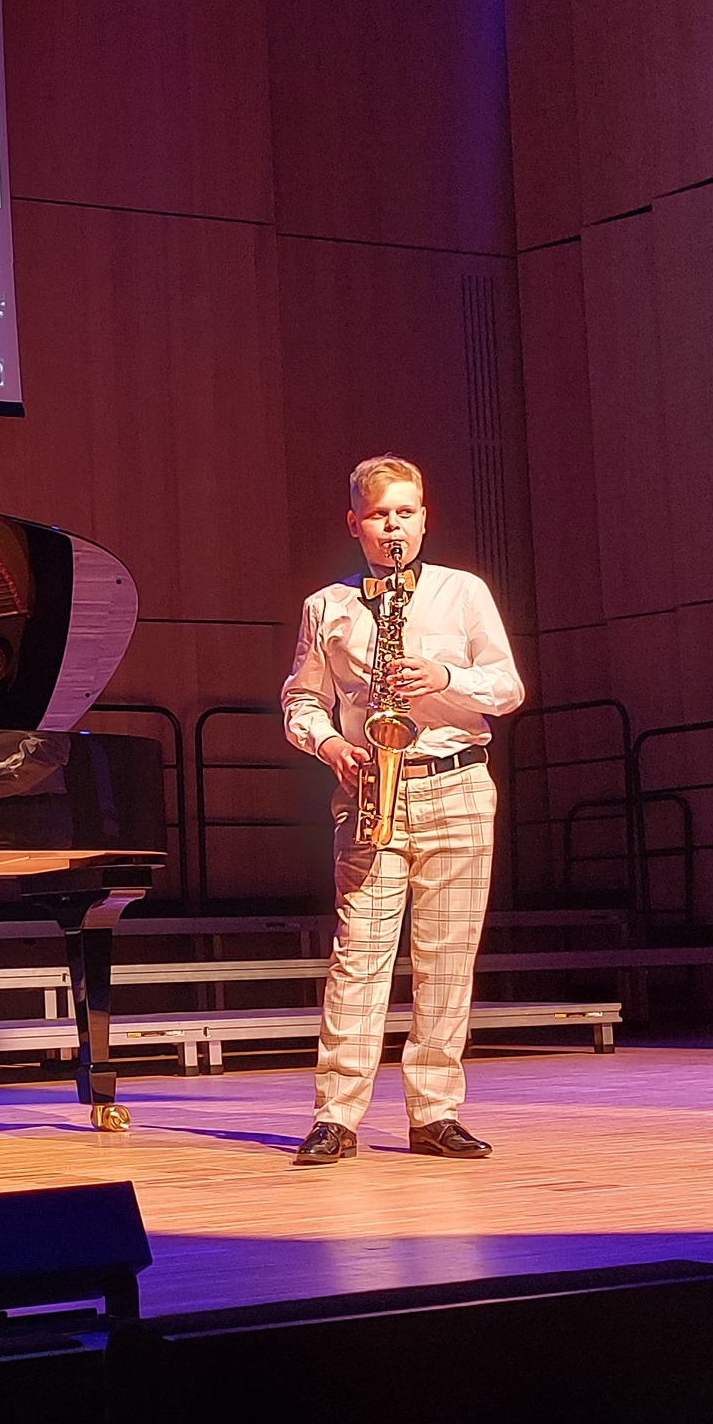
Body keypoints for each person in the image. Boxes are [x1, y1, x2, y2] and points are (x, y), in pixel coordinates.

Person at [280, 456, 524, 1165]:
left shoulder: (463, 592)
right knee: (358, 957)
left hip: (457, 782)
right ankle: (336, 1116)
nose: (393, 527)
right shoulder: (327, 606)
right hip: (370, 789)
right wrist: (329, 743)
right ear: (354, 524)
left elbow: (506, 688)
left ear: (424, 518)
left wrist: (443, 676)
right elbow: (301, 699)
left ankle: (435, 1114)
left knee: (448, 956)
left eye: (405, 513)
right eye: (379, 515)